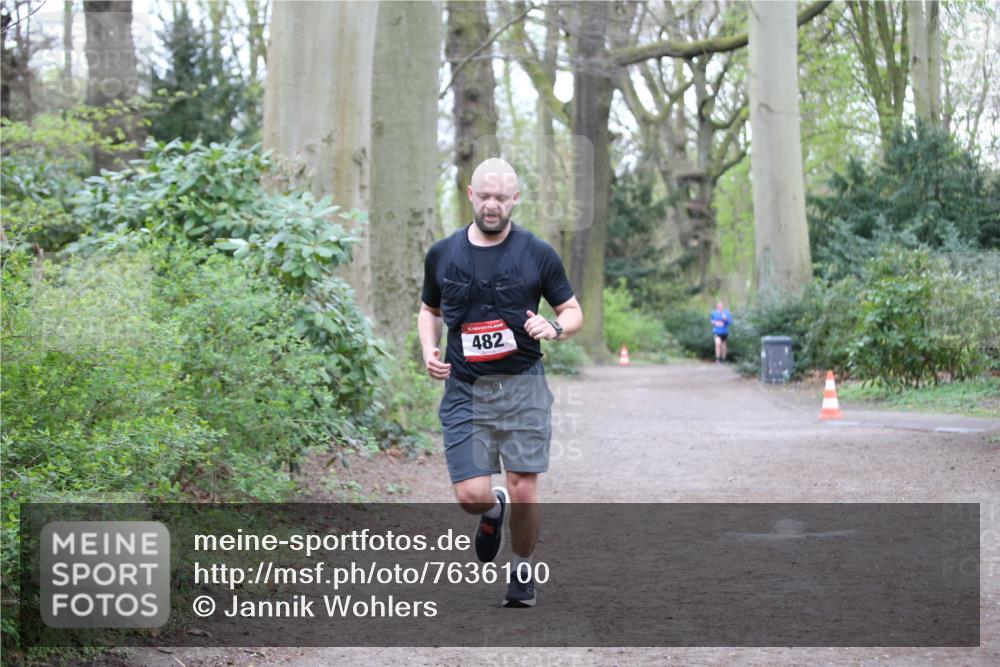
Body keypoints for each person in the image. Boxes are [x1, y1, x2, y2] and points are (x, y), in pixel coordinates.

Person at [417, 158, 582, 608]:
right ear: (470, 194)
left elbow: (572, 311)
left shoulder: (537, 254)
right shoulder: (443, 254)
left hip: (523, 386)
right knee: (470, 496)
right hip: (465, 390)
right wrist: (429, 349)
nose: (492, 205)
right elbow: (429, 311)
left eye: (501, 197)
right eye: (485, 196)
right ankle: (491, 511)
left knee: (525, 486)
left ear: (515, 200)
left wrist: (555, 327)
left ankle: (523, 569)